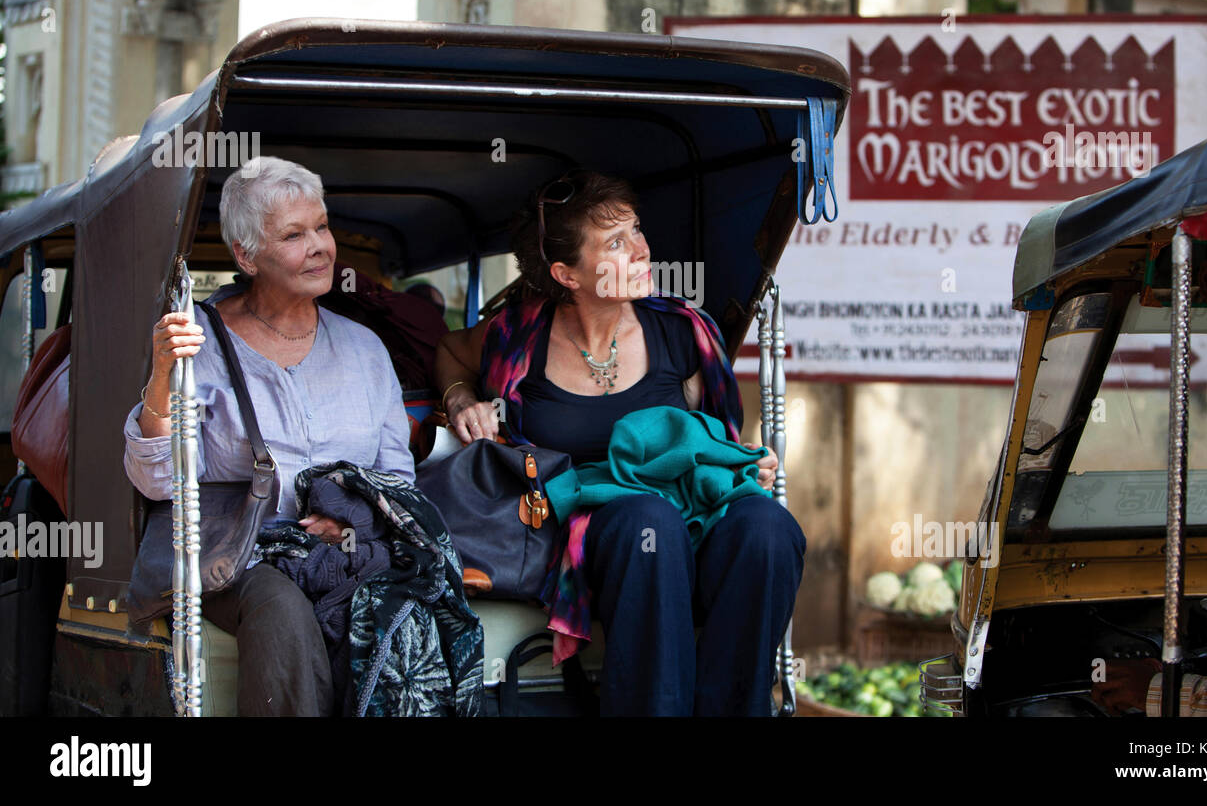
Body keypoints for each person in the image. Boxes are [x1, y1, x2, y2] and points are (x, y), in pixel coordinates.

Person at [434, 170, 805, 716]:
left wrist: (746, 467)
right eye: (615, 242)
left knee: (768, 527)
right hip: (587, 524)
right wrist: (462, 398)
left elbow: (717, 441)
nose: (641, 249)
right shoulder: (519, 336)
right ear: (567, 273)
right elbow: (450, 351)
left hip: (690, 516)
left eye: (636, 230)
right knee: (646, 521)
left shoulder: (683, 331)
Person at [122, 156, 415, 716]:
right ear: (246, 256)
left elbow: (397, 476)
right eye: (294, 234)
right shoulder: (197, 343)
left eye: (322, 227)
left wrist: (352, 520)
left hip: (348, 545)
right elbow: (158, 482)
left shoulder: (365, 348)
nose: (321, 246)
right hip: (239, 554)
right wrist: (162, 376)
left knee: (403, 609)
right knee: (281, 609)